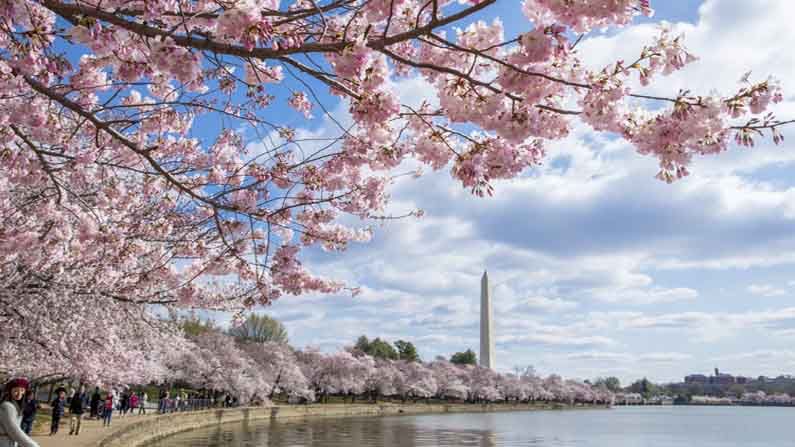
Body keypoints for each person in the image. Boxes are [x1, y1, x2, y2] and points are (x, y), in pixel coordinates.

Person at [0, 378, 39, 447]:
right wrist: (33, 445)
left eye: (22, 390)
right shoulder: (7, 406)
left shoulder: (16, 405)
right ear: (10, 391)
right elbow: (14, 430)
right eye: (15, 390)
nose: (19, 394)